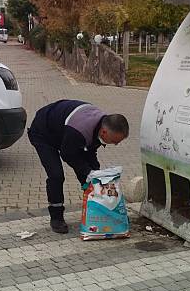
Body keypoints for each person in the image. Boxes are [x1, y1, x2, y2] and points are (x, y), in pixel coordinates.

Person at [27, 100, 129, 233]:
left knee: (92, 174)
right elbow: (68, 154)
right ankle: (56, 217)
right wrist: (87, 172)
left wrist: (94, 175)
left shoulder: (101, 124)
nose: (115, 144)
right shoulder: (80, 129)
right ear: (104, 132)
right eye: (115, 141)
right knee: (56, 175)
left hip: (65, 133)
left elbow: (89, 152)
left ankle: (102, 210)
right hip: (43, 133)